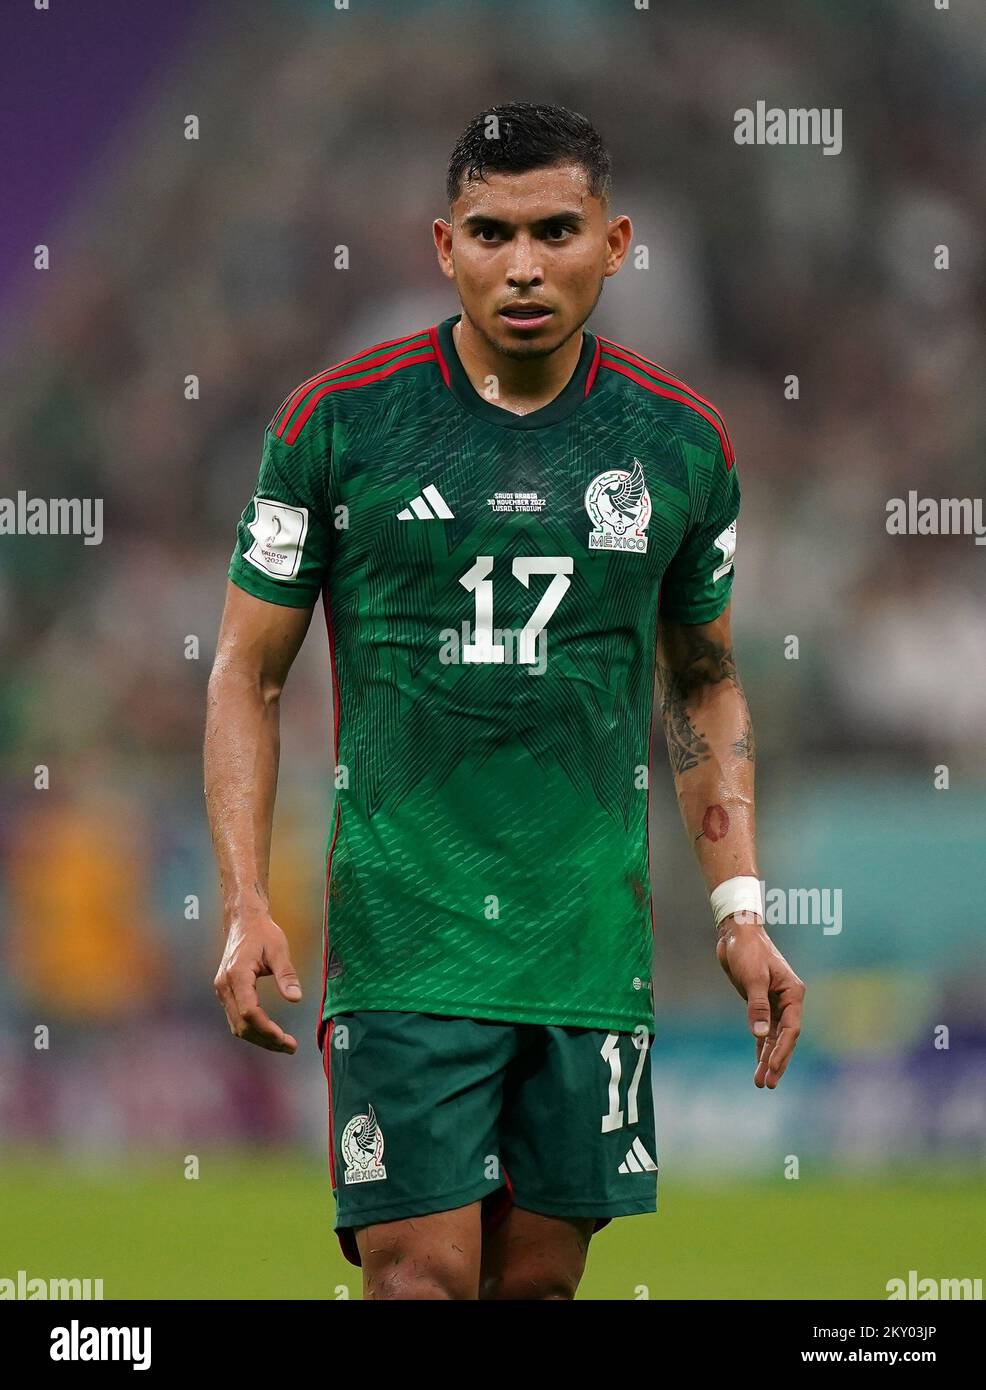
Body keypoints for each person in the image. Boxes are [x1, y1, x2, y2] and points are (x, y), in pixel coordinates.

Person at [205, 101, 805, 1301]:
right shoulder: (336, 423)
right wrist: (243, 900)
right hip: (404, 936)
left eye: (554, 230)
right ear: (443, 245)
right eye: (489, 232)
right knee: (418, 1281)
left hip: (583, 947)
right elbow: (244, 671)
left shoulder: (681, 444)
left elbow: (704, 682)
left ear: (615, 241)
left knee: (531, 1291)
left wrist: (738, 910)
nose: (522, 265)